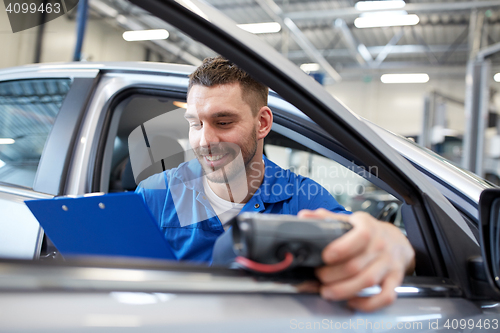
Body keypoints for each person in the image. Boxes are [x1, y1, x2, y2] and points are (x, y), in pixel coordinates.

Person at [136, 56, 415, 312]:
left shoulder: (300, 198)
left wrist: (393, 243)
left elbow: (362, 243)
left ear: (263, 123)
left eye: (222, 122)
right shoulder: (154, 196)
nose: (204, 141)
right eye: (195, 124)